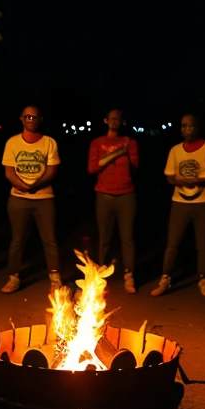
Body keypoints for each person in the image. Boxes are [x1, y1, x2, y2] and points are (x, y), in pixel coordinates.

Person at [151, 114, 205, 297]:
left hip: (202, 201)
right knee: (172, 243)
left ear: (198, 127)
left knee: (202, 244)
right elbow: (170, 176)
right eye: (183, 126)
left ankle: (203, 279)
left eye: (191, 125)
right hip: (179, 202)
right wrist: (181, 181)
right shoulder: (175, 150)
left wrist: (196, 180)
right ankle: (165, 279)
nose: (187, 129)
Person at [0, 106, 62, 294]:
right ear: (21, 118)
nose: (31, 119)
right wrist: (22, 186)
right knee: (17, 240)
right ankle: (13, 277)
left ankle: (55, 278)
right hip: (18, 198)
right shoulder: (12, 143)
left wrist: (35, 184)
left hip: (44, 198)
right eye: (27, 116)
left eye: (34, 117)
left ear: (40, 119)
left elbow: (52, 170)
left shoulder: (49, 142)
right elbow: (9, 171)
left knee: (49, 239)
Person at [88, 109, 139, 293]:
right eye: (112, 118)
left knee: (127, 237)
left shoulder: (131, 143)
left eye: (118, 118)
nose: (114, 121)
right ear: (105, 120)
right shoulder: (97, 143)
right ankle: (101, 274)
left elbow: (136, 166)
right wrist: (118, 153)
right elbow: (93, 168)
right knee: (104, 237)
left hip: (126, 195)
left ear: (123, 122)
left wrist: (126, 153)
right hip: (104, 195)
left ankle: (129, 274)